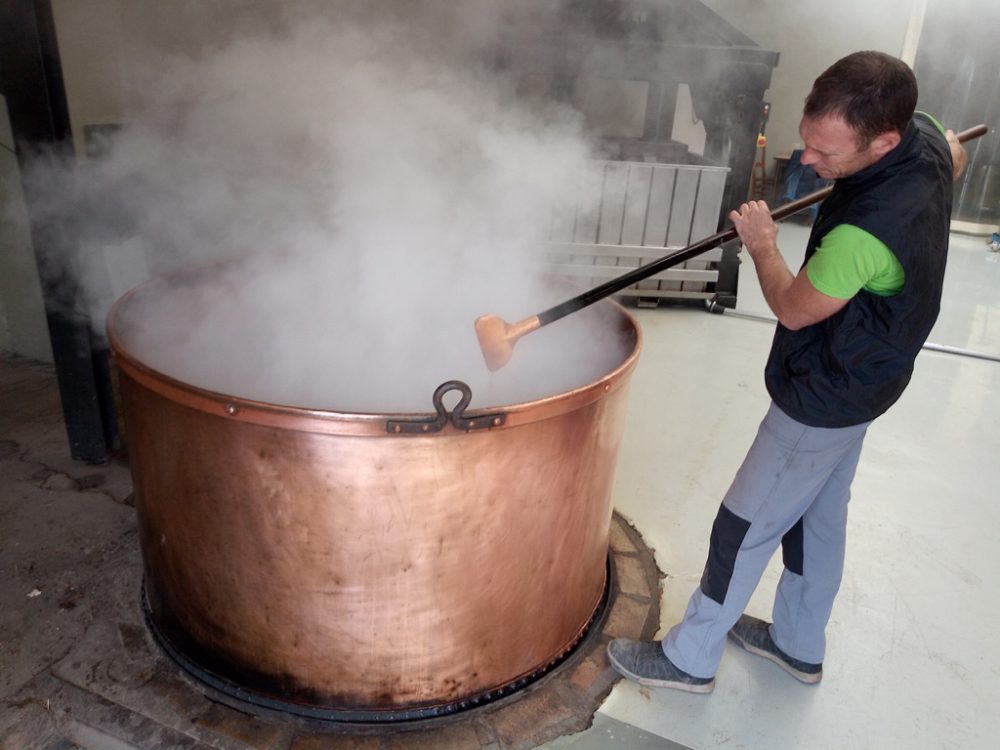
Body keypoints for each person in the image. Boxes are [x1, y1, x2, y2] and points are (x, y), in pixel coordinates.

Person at [607, 50, 968, 693]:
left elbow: (795, 310)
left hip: (825, 391)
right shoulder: (929, 137)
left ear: (883, 140)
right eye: (809, 142)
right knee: (817, 518)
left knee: (743, 524)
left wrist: (764, 245)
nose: (807, 162)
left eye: (825, 154)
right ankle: (798, 644)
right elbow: (955, 157)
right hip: (875, 376)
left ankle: (690, 659)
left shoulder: (863, 237)